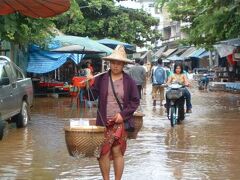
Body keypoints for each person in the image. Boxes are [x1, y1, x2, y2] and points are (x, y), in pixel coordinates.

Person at [88, 45, 140, 180]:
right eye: (113, 63)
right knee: (103, 152)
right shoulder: (101, 79)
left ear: (123, 64)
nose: (115, 66)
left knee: (117, 151)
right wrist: (88, 85)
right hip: (103, 121)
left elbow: (135, 101)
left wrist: (122, 115)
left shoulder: (129, 81)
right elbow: (91, 97)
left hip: (120, 122)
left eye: (119, 63)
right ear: (109, 63)